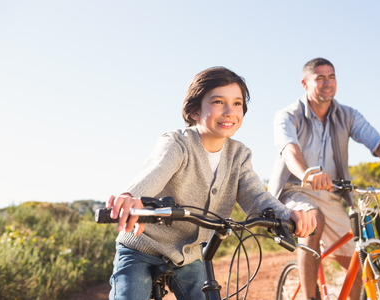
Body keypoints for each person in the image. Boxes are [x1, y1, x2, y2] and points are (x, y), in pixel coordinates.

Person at [107, 66, 317, 300]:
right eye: (218, 102)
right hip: (141, 248)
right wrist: (130, 196)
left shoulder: (239, 155)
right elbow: (156, 170)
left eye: (237, 103)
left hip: (189, 255)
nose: (230, 111)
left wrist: (287, 215)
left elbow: (256, 196)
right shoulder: (177, 143)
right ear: (195, 111)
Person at [267, 57, 380, 300]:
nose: (327, 83)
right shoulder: (288, 115)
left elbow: (379, 144)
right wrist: (307, 173)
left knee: (354, 257)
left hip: (331, 192)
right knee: (313, 219)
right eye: (319, 78)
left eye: (331, 77)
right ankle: (311, 297)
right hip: (294, 190)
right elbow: (290, 150)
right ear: (305, 83)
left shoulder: (348, 115)